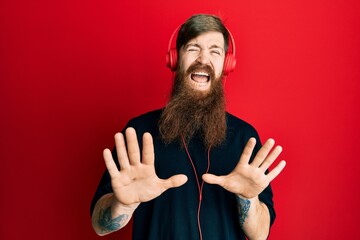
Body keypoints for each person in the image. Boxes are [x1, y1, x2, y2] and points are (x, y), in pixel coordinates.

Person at [90, 14, 286, 240]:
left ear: (227, 64)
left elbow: (260, 235)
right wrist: (122, 205)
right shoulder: (138, 132)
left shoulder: (245, 138)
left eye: (215, 51)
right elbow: (99, 225)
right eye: (193, 48)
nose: (203, 59)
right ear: (175, 59)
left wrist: (247, 198)